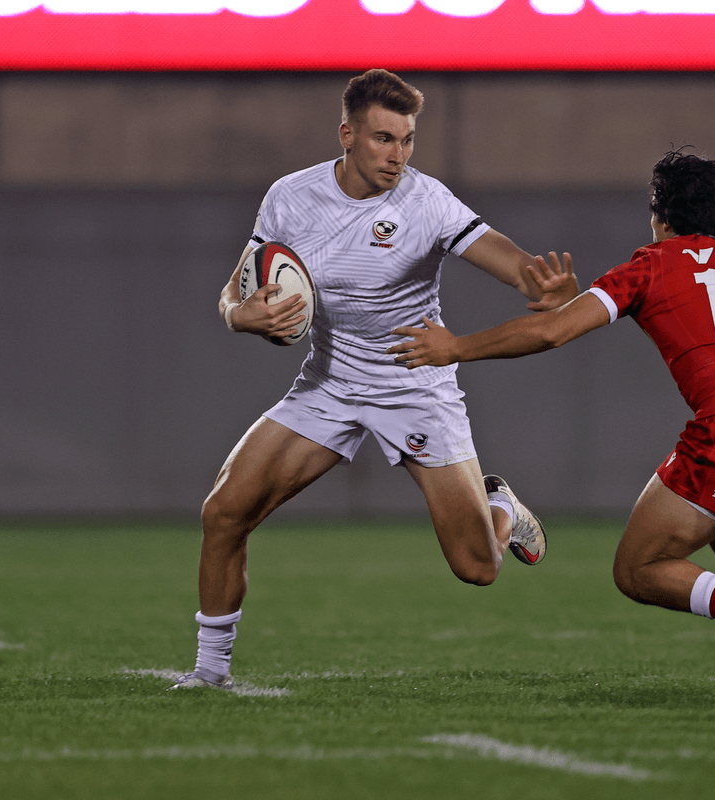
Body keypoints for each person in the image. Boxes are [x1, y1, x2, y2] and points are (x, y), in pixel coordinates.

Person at [173, 69, 573, 690]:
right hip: (329, 382)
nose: (398, 155)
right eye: (385, 139)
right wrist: (238, 313)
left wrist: (538, 283)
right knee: (223, 512)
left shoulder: (426, 201)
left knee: (479, 569)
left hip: (414, 382)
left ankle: (498, 506)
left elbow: (512, 262)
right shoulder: (290, 196)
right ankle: (209, 672)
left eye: (408, 140)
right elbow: (239, 284)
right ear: (347, 135)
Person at [389, 149, 715, 699]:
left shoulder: (652, 261)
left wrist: (455, 347)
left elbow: (552, 333)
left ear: (662, 215)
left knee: (638, 568)